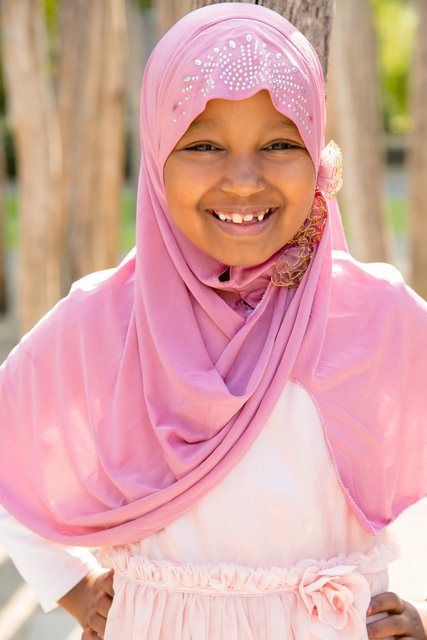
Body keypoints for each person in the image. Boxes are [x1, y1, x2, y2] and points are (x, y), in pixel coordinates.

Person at [0, 3, 426, 639]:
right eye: (203, 145)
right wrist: (71, 588)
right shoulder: (106, 327)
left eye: (280, 143)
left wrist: (419, 603)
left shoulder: (375, 319)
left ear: (318, 157)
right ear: (156, 159)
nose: (245, 180)